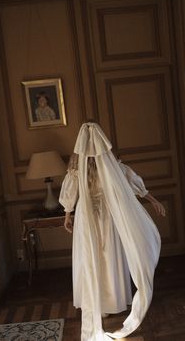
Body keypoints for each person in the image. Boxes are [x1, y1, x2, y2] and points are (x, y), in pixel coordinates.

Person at [59, 122, 165, 340]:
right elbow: (131, 182)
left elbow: (71, 193)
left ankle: (101, 303)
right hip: (101, 216)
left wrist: (68, 215)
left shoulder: (81, 166)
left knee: (93, 258)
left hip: (89, 217)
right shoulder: (107, 164)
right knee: (105, 257)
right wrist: (152, 199)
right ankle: (105, 301)